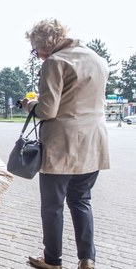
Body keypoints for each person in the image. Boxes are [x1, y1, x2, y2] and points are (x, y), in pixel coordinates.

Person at [22, 18, 110, 269]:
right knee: (81, 200)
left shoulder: (55, 62)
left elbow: (48, 110)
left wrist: (28, 103)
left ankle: (53, 261)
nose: (36, 55)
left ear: (44, 45)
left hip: (62, 145)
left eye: (34, 49)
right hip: (93, 143)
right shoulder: (97, 59)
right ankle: (87, 259)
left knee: (52, 207)